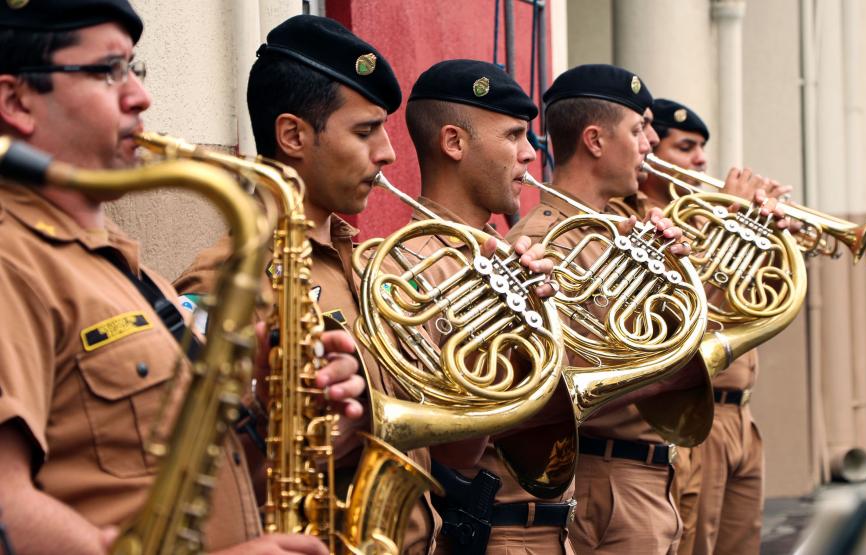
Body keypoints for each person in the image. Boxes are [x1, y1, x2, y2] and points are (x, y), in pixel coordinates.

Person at [0, 3, 363, 554]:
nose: (140, 96)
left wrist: (273, 417)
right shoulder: (14, 260)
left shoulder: (122, 266)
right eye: (108, 70)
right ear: (15, 102)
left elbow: (176, 484)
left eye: (135, 68)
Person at [172, 15, 444, 554]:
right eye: (365, 132)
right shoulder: (226, 279)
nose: (388, 152)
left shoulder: (367, 265)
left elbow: (456, 450)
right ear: (293, 136)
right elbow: (208, 476)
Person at [509, 64, 700, 555]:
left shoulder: (622, 228)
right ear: (594, 140)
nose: (651, 142)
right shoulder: (542, 242)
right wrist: (664, 368)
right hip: (607, 480)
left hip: (652, 473)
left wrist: (678, 273)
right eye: (638, 130)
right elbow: (557, 383)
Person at [396, 59, 572, 554]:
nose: (530, 154)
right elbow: (451, 451)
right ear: (454, 143)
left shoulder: (508, 256)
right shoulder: (406, 268)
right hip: (492, 531)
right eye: (514, 135)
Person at [643, 99, 787, 555]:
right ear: (651, 154)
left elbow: (753, 303)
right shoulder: (650, 222)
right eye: (685, 147)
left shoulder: (702, 216)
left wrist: (766, 238)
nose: (701, 160)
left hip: (742, 415)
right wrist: (726, 219)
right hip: (699, 415)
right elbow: (690, 311)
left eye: (702, 148)